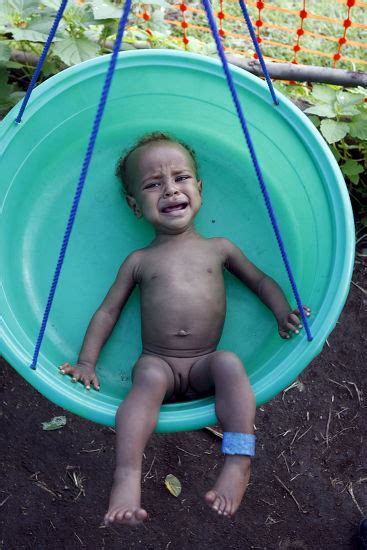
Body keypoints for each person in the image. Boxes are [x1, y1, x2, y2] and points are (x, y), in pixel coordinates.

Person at [59, 133, 310, 526]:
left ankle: (238, 458)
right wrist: (86, 361)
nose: (170, 190)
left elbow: (261, 282)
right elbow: (108, 312)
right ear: (134, 205)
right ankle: (126, 476)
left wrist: (282, 312)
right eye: (153, 184)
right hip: (159, 362)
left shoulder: (220, 249)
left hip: (203, 363)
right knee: (145, 381)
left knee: (229, 363)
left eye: (181, 178)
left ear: (199, 189)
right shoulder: (139, 260)